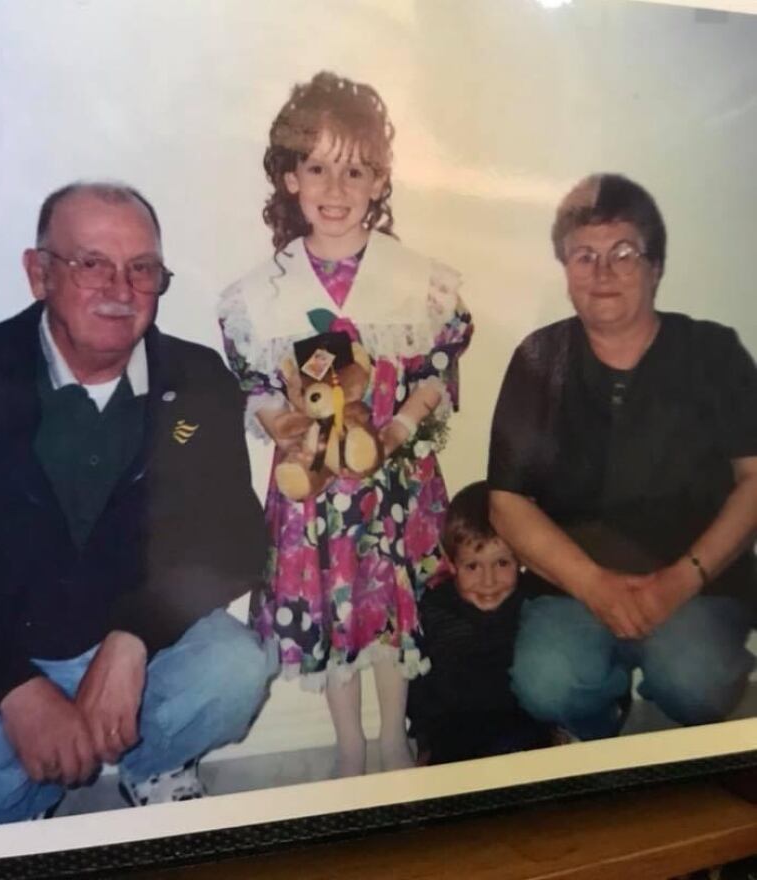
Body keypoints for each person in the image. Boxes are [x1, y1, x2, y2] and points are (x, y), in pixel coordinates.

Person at [0, 182, 277, 825]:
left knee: (235, 667)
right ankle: (31, 790)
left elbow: (233, 540)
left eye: (141, 268)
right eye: (92, 264)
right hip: (2, 655)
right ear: (39, 274)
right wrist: (13, 689)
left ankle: (156, 762)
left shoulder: (196, 380)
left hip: (132, 648)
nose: (120, 290)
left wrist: (134, 639)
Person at [219, 71, 473, 777]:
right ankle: (350, 744)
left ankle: (392, 737)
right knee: (334, 614)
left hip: (389, 477)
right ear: (291, 179)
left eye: (354, 170)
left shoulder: (416, 280)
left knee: (387, 610)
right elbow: (256, 381)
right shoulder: (263, 292)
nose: (336, 188)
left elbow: (437, 361)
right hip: (315, 494)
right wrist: (282, 426)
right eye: (318, 167)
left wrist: (402, 428)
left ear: (378, 182)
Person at [488, 173, 757, 741]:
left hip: (697, 582)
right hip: (573, 586)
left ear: (655, 267)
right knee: (546, 682)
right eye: (584, 255)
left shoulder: (714, 352)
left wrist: (679, 582)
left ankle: (669, 726)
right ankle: (598, 718)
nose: (602, 272)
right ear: (565, 270)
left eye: (623, 253)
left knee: (698, 680)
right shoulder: (539, 359)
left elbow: (755, 479)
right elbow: (506, 503)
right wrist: (595, 586)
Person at [407, 482, 551, 765]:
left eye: (502, 564)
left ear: (521, 557)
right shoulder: (435, 609)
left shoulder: (530, 600)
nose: (489, 581)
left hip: (518, 727)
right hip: (455, 729)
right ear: (451, 562)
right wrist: (424, 738)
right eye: (473, 566)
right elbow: (420, 685)